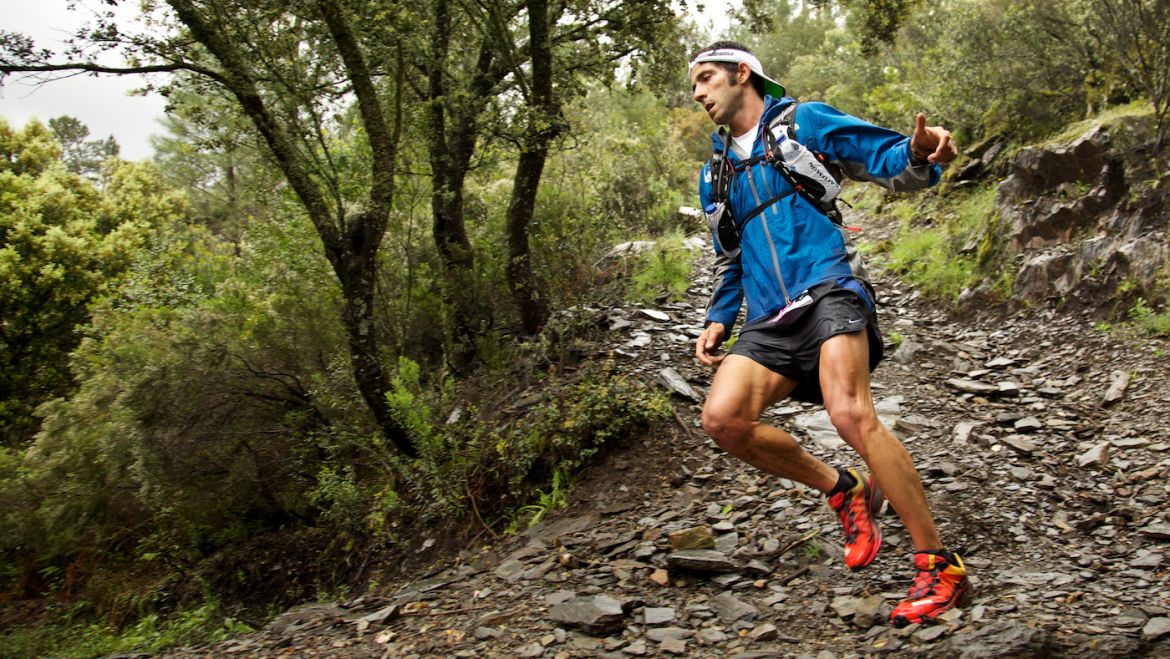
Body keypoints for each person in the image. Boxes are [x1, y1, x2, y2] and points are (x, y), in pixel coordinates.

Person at [688, 41, 971, 628]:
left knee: (850, 413)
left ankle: (938, 564)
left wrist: (918, 152)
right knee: (723, 419)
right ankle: (842, 488)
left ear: (744, 74)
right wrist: (721, 315)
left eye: (707, 78)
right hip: (769, 315)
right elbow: (734, 257)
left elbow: (887, 156)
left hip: (827, 288)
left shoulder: (802, 123)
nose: (698, 93)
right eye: (694, 85)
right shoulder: (714, 176)